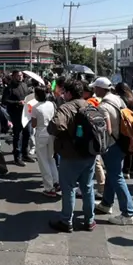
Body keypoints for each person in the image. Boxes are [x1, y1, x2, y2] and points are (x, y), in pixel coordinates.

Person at [48, 78, 99, 232]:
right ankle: (89, 220)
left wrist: (65, 135)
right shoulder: (89, 105)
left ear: (69, 93)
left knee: (68, 187)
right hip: (90, 153)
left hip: (71, 154)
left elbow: (55, 126)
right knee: (88, 187)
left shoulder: (66, 108)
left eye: (64, 92)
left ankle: (66, 221)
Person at [93, 78, 133, 226]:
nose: (94, 90)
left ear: (100, 89)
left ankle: (128, 213)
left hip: (111, 144)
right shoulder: (118, 99)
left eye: (95, 88)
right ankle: (106, 203)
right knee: (112, 174)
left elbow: (107, 129)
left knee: (117, 177)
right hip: (122, 142)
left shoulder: (103, 106)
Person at [30, 85, 58, 197]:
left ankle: (49, 187)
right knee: (51, 158)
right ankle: (56, 181)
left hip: (41, 132)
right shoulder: (51, 104)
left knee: (43, 161)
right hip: (51, 132)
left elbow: (33, 124)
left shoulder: (35, 107)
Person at [2, 71, 31, 166]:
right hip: (16, 114)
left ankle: (25, 154)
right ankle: (17, 157)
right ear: (13, 76)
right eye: (18, 76)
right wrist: (17, 103)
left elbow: (28, 96)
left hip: (26, 113)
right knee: (18, 135)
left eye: (21, 75)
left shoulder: (24, 85)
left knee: (27, 133)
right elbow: (4, 101)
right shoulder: (9, 88)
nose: (20, 77)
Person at [114, 83, 133, 179]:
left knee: (123, 148)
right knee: (131, 148)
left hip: (124, 125)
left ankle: (125, 170)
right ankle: (130, 170)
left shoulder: (121, 99)